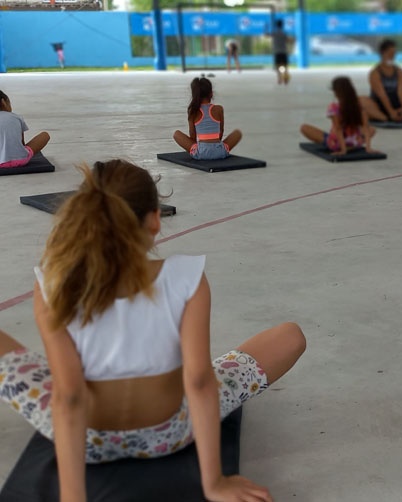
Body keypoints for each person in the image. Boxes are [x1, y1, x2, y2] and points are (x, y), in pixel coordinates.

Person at [0, 159, 306, 500]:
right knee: (289, 336)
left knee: (52, 377)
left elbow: (69, 396)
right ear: (155, 220)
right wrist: (214, 483)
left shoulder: (51, 284)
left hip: (88, 442)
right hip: (171, 434)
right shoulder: (185, 277)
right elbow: (200, 381)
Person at [300, 76, 377, 156]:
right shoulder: (359, 107)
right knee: (372, 129)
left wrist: (343, 150)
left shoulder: (334, 107)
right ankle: (351, 147)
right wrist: (368, 148)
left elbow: (338, 129)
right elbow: (366, 128)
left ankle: (345, 147)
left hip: (336, 143)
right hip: (356, 142)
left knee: (304, 127)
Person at [173, 77, 242, 161]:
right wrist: (215, 146)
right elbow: (221, 131)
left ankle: (205, 150)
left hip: (201, 153)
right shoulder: (219, 109)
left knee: (176, 134)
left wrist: (201, 147)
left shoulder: (193, 111)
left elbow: (193, 137)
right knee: (238, 133)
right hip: (219, 152)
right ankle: (214, 150)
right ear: (211, 93)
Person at [0, 90, 50, 168]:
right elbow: (22, 143)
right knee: (45, 135)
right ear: (3, 102)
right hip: (21, 160)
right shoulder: (16, 118)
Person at [270, 20, 294, 85]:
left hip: (277, 52)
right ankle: (285, 78)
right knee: (284, 66)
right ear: (282, 25)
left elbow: (266, 35)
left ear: (276, 25)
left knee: (278, 66)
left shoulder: (274, 33)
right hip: (283, 52)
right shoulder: (284, 34)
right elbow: (289, 41)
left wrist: (265, 28)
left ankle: (279, 78)